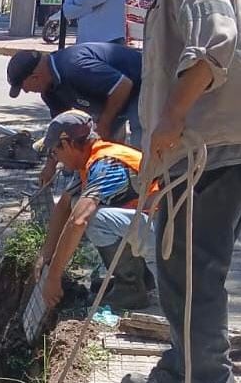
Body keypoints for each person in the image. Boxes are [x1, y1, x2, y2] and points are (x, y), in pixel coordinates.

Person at [107, 0, 241, 383]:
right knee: (175, 269)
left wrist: (173, 115)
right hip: (193, 153)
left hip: (215, 149)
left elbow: (217, 39)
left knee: (198, 270)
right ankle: (183, 366)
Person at [33, 110, 158, 313]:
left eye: (55, 152)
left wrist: (54, 277)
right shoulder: (90, 161)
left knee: (92, 219)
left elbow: (78, 221)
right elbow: (64, 204)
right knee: (77, 203)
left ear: (67, 144)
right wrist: (45, 255)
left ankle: (131, 287)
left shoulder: (106, 164)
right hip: (154, 227)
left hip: (169, 236)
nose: (57, 159)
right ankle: (138, 278)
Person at [6, 42, 143, 184]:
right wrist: (50, 166)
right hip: (110, 98)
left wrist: (105, 123)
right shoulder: (49, 91)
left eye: (23, 87)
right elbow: (61, 130)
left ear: (35, 77)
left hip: (140, 84)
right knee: (90, 150)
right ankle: (103, 186)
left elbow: (123, 85)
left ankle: (145, 188)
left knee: (141, 141)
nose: (26, 91)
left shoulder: (75, 67)